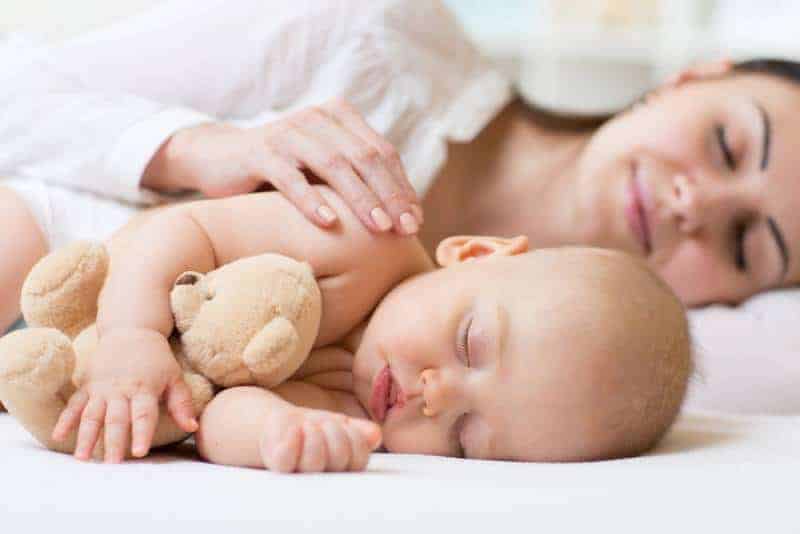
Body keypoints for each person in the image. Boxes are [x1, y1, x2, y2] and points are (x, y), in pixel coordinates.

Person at [15, 186, 689, 471]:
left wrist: (280, 434)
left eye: (465, 437)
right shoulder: (362, 243)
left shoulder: (358, 417)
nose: (435, 395)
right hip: (76, 247)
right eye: (471, 345)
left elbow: (211, 420)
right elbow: (182, 229)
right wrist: (131, 335)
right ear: (475, 254)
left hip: (56, 359)